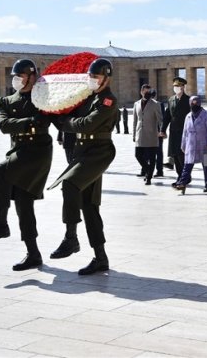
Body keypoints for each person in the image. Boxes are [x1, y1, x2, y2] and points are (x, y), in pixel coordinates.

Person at [0, 58, 53, 271]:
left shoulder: (42, 98)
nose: (16, 80)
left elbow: (44, 121)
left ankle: (1, 224)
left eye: (20, 76)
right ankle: (33, 254)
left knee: (0, 172)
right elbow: (4, 125)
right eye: (15, 76)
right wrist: (29, 122)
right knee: (23, 203)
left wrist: (22, 123)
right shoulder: (7, 100)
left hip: (38, 152)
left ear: (31, 77)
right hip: (18, 151)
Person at [49, 58, 117, 275]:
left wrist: (65, 124)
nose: (92, 81)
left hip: (99, 152)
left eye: (96, 77)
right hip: (84, 152)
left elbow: (87, 123)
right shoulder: (89, 99)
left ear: (106, 78)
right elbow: (74, 116)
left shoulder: (108, 101)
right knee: (89, 206)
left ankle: (71, 238)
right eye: (91, 77)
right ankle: (101, 257)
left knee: (69, 184)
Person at [175, 95, 207, 194]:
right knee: (187, 165)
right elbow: (185, 132)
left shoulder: (206, 115)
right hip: (191, 144)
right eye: (192, 103)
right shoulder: (188, 116)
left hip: (204, 144)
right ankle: (182, 184)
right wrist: (183, 144)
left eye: (196, 102)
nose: (194, 104)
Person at [133, 84, 163, 185]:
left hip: (151, 135)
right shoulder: (136, 104)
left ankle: (149, 177)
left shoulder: (155, 104)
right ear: (141, 92)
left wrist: (162, 131)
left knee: (151, 157)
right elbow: (135, 120)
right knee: (138, 155)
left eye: (149, 92)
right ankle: (148, 170)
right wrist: (134, 135)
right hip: (139, 134)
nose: (147, 94)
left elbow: (160, 120)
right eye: (145, 92)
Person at [163, 77, 190, 182]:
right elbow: (167, 116)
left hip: (184, 132)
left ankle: (184, 176)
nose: (176, 88)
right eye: (175, 86)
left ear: (183, 87)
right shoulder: (171, 99)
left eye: (178, 86)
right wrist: (162, 129)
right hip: (173, 131)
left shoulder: (188, 100)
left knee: (181, 155)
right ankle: (180, 176)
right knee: (175, 155)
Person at [150, 89, 165, 177]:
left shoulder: (158, 104)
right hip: (157, 132)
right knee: (158, 152)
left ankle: (154, 170)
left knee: (152, 152)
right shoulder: (161, 104)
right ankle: (159, 170)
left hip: (154, 132)